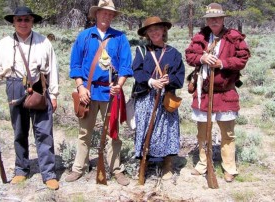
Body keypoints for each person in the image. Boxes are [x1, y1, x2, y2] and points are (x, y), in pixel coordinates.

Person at [0, 6, 60, 190]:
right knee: (19, 131)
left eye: (27, 19)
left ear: (32, 21)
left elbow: (53, 69)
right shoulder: (3, 44)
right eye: (19, 20)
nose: (23, 23)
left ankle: (48, 173)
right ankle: (21, 169)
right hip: (14, 86)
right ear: (13, 22)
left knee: (44, 132)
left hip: (39, 87)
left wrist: (54, 95)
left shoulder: (43, 42)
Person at [66, 0, 133, 186]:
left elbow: (126, 66)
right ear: (96, 14)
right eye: (104, 12)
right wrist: (80, 87)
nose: (107, 16)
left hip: (111, 92)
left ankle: (116, 169)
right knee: (84, 132)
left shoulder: (120, 38)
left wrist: (118, 85)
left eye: (110, 14)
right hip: (88, 91)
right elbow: (76, 65)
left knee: (113, 133)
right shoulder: (84, 36)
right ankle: (78, 168)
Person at [185, 3, 250, 182]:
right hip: (204, 92)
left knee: (227, 133)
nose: (214, 21)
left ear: (222, 19)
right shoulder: (201, 37)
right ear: (207, 20)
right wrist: (202, 58)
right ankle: (203, 163)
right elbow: (189, 56)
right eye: (210, 19)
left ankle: (229, 167)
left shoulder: (234, 37)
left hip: (225, 92)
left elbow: (243, 58)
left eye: (217, 18)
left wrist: (222, 63)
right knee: (202, 132)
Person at [132, 16, 185, 180]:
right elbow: (137, 71)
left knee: (167, 130)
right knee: (145, 130)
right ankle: (144, 163)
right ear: (147, 33)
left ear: (164, 30)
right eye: (150, 30)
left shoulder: (174, 53)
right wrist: (151, 81)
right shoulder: (141, 51)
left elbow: (180, 78)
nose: (154, 32)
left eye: (157, 29)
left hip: (166, 99)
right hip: (146, 98)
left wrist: (169, 80)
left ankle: (167, 164)